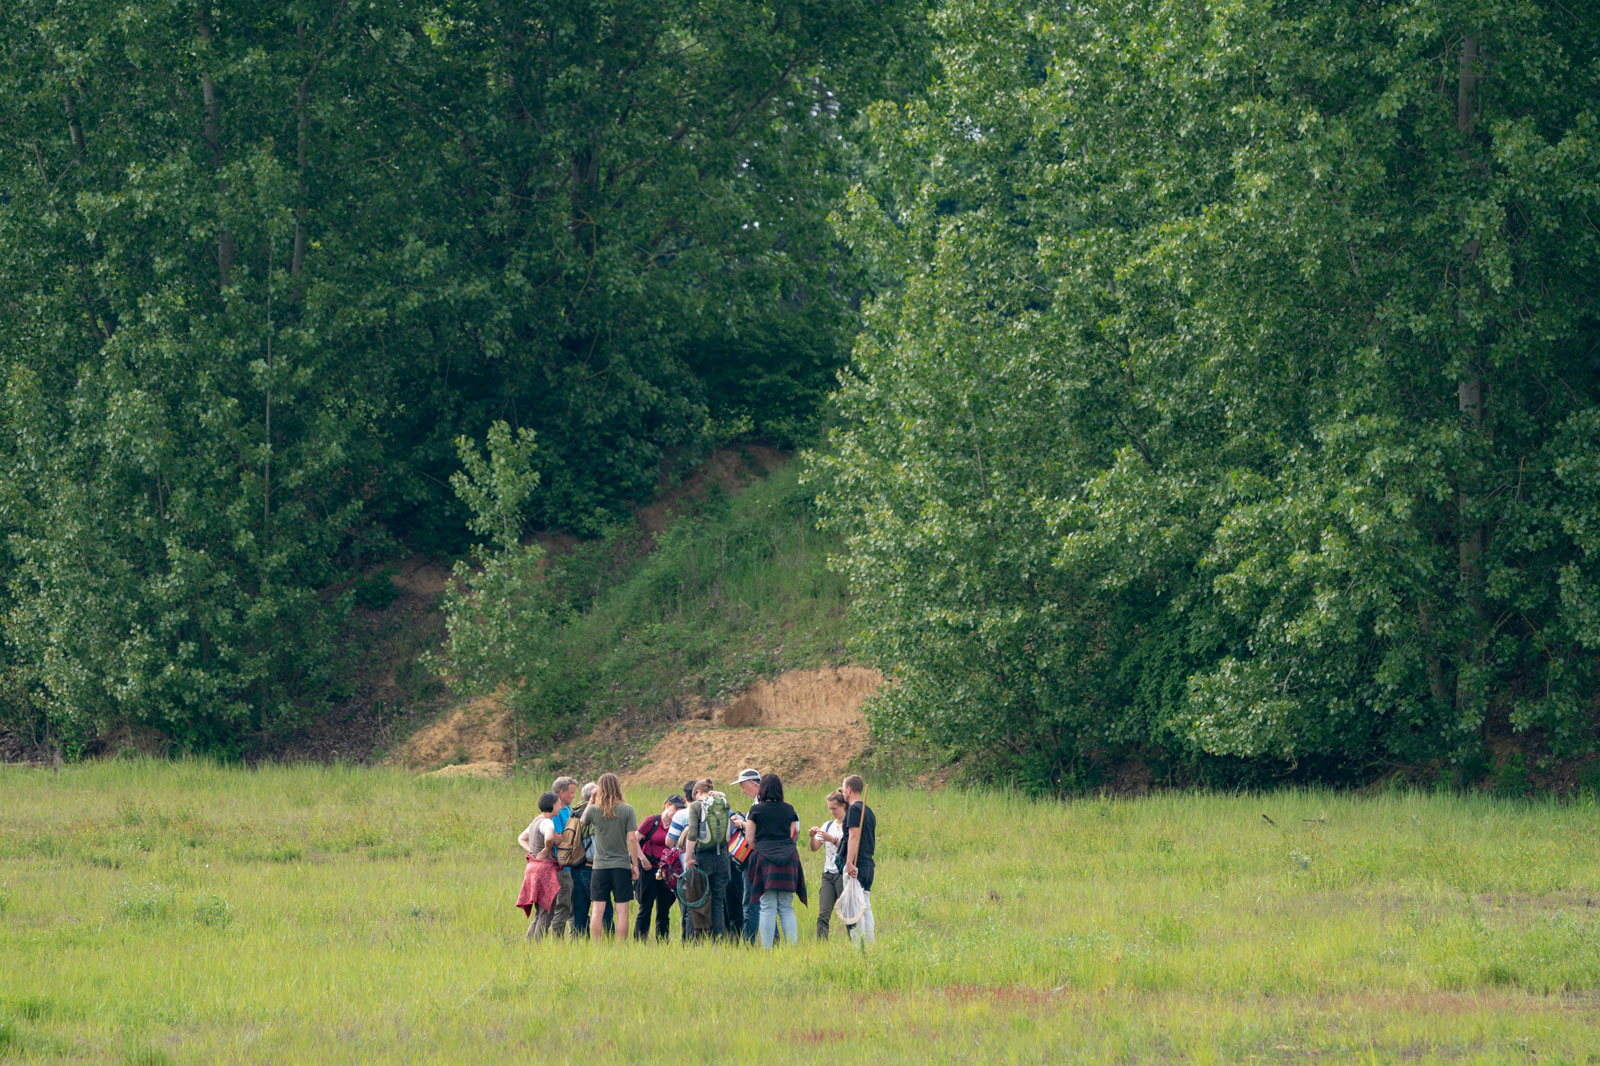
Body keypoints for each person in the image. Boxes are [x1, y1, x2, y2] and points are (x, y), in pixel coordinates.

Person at [579, 773, 645, 941]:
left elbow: (582, 822)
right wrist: (635, 865)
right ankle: (621, 946)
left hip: (599, 866)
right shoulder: (627, 809)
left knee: (597, 910)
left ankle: (597, 945)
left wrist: (592, 800)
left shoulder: (594, 809)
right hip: (621, 866)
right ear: (618, 787)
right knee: (622, 911)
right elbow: (632, 838)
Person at [745, 773, 806, 948]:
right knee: (786, 906)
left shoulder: (756, 811)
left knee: (767, 906)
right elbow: (791, 834)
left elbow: (749, 839)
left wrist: (762, 849)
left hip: (764, 859)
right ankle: (792, 947)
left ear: (762, 789)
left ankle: (767, 949)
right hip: (789, 858)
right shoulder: (789, 809)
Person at [679, 777, 732, 939]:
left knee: (695, 901)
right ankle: (718, 940)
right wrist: (722, 795)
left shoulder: (696, 806)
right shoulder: (723, 803)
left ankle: (692, 941)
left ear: (697, 792)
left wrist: (688, 858)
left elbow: (693, 833)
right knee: (717, 903)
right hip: (722, 857)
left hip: (702, 858)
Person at [633, 794, 684, 940]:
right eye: (676, 808)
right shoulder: (652, 821)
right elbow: (634, 840)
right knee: (645, 906)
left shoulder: (678, 825)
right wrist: (642, 859)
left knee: (664, 909)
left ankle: (662, 941)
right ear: (667, 805)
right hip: (649, 868)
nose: (678, 812)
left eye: (681, 809)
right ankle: (640, 940)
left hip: (667, 871)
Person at [515, 791, 562, 939]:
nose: (560, 806)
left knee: (539, 913)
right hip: (545, 869)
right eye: (558, 803)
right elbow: (549, 837)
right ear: (552, 805)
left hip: (532, 867)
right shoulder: (547, 822)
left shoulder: (536, 821)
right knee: (546, 912)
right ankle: (537, 945)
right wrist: (547, 849)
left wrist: (532, 851)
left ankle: (529, 945)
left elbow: (521, 838)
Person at [836, 774, 877, 943]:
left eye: (843, 789)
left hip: (856, 864)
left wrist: (849, 862)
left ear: (849, 789)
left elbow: (854, 836)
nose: (843, 793)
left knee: (854, 907)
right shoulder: (869, 811)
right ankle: (869, 944)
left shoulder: (854, 810)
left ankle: (858, 946)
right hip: (868, 864)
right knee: (865, 905)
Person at [807, 790, 848, 940]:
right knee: (823, 914)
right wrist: (812, 837)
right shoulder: (828, 825)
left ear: (843, 806)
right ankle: (821, 945)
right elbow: (814, 848)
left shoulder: (849, 825)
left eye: (835, 808)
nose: (832, 812)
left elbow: (850, 848)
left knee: (847, 913)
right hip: (828, 874)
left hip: (843, 874)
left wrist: (833, 840)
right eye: (830, 808)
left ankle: (856, 942)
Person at [730, 767, 762, 942]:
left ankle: (748, 941)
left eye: (743, 786)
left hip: (754, 856)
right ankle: (773, 940)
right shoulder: (761, 801)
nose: (742, 791)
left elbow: (755, 829)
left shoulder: (759, 804)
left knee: (751, 901)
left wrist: (741, 824)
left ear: (752, 783)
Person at [548, 776, 579, 936]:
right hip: (561, 867)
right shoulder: (556, 812)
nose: (574, 796)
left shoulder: (567, 808)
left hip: (571, 865)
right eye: (571, 792)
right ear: (562, 793)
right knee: (563, 906)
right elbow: (558, 838)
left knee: (574, 906)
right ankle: (557, 941)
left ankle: (575, 940)